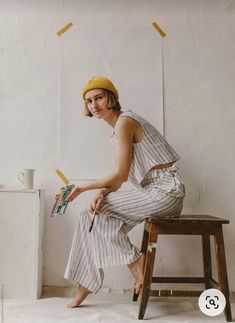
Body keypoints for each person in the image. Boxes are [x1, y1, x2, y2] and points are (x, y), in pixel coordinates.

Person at [62, 76, 186, 308]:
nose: (94, 105)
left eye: (99, 97)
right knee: (90, 214)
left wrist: (82, 188)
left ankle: (136, 263)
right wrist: (101, 192)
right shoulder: (115, 134)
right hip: (153, 192)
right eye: (89, 101)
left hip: (166, 191)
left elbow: (119, 174)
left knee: (97, 212)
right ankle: (86, 282)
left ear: (111, 97)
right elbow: (119, 180)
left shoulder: (125, 121)